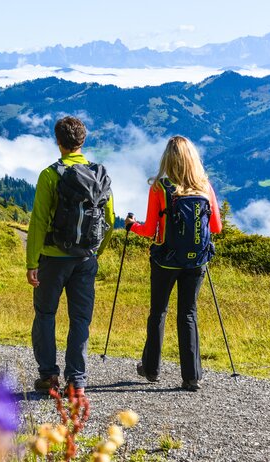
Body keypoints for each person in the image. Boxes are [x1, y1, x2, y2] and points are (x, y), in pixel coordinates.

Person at [125, 135, 222, 392]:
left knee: (158, 312)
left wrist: (130, 225)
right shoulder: (205, 187)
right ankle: (192, 377)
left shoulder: (160, 187)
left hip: (165, 260)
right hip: (196, 262)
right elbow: (217, 227)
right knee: (188, 314)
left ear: (167, 159)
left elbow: (149, 230)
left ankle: (151, 369)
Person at [26, 116, 115, 396]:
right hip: (86, 259)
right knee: (80, 319)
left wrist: (32, 263)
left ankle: (49, 377)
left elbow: (39, 221)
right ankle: (76, 381)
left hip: (53, 258)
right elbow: (110, 220)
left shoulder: (50, 174)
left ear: (58, 141)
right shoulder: (99, 175)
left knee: (45, 315)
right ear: (83, 140)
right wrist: (95, 252)